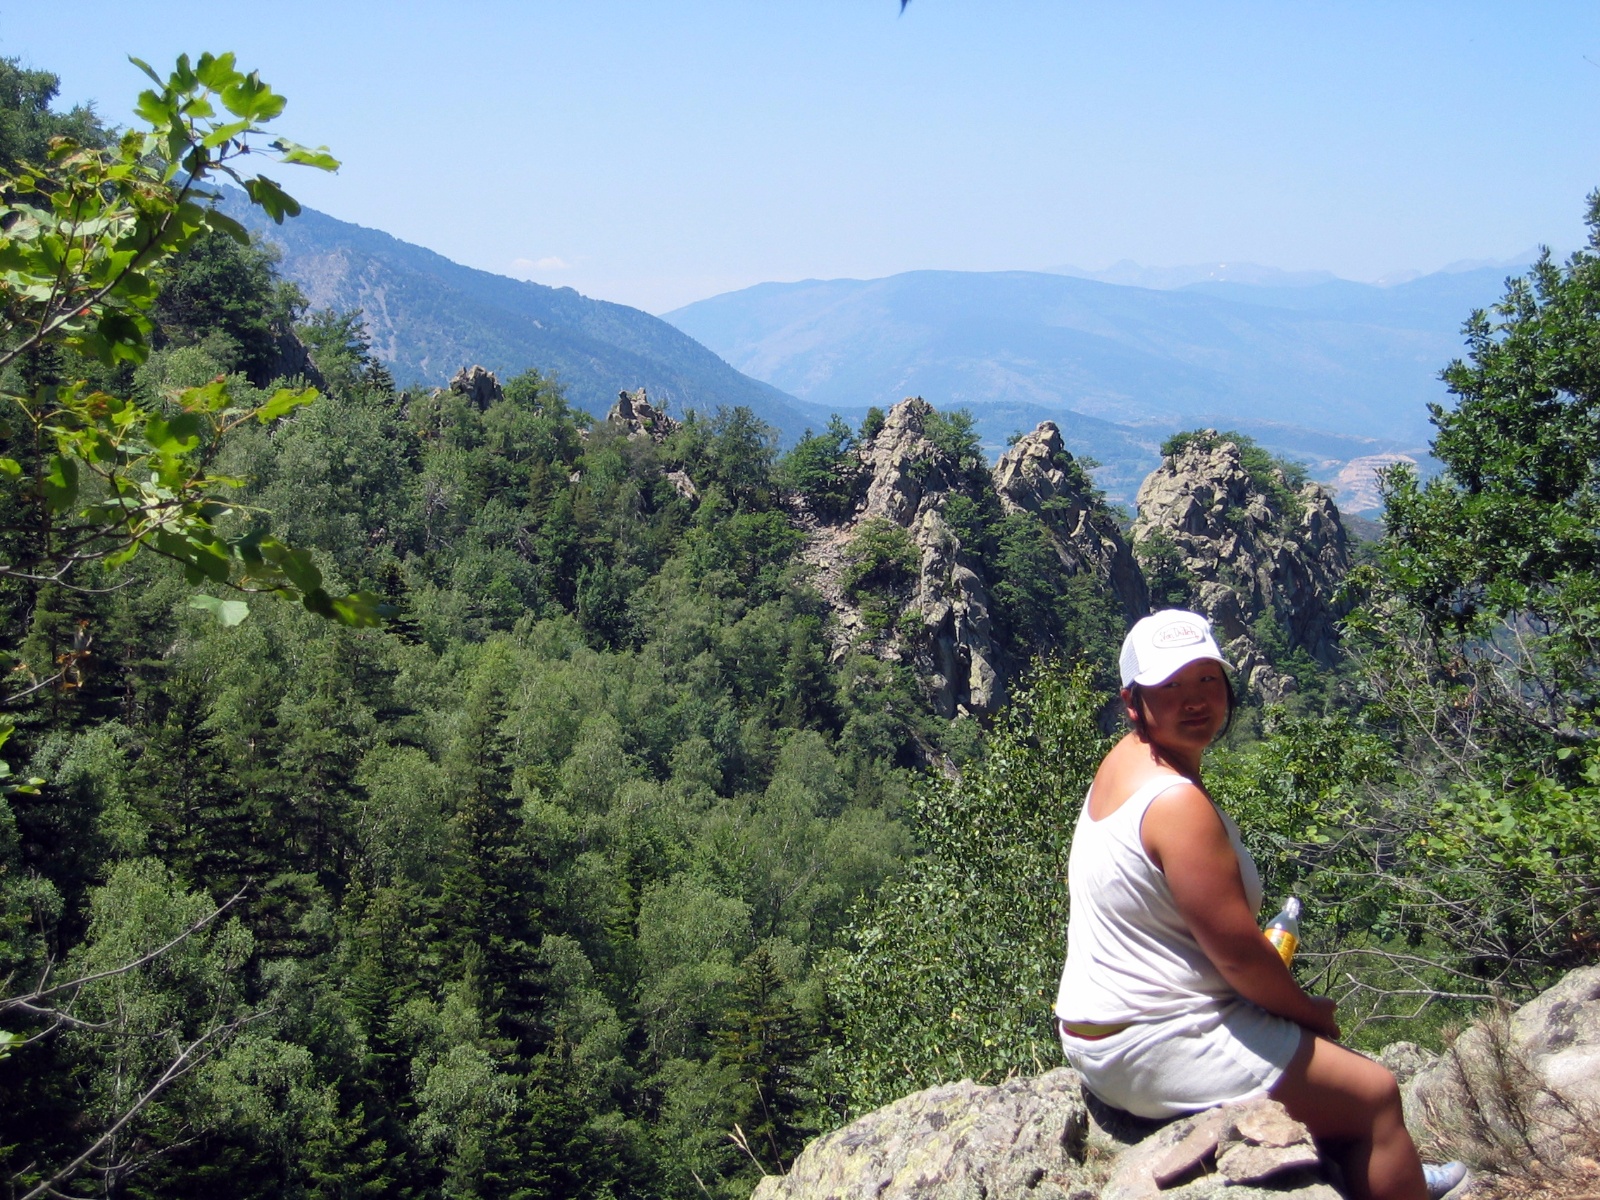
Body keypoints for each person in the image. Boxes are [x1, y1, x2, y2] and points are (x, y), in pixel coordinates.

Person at [1054, 610, 1466, 1200]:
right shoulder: (1176, 805)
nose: (1194, 700)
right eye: (1170, 686)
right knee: (1375, 1094)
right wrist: (1307, 1011)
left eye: (1207, 680)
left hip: (1100, 1032)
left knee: (1328, 1083)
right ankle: (1399, 1181)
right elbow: (1242, 960)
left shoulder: (1125, 761)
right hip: (1155, 1042)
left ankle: (1374, 1173)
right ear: (1133, 700)